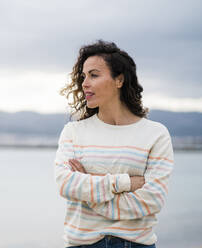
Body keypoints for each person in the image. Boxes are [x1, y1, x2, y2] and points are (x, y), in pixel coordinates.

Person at [54, 40, 174, 248]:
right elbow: (66, 184)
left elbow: (151, 200)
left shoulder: (156, 134)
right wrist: (124, 183)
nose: (84, 83)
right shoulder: (73, 132)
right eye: (83, 76)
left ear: (119, 80)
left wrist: (88, 187)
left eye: (94, 75)